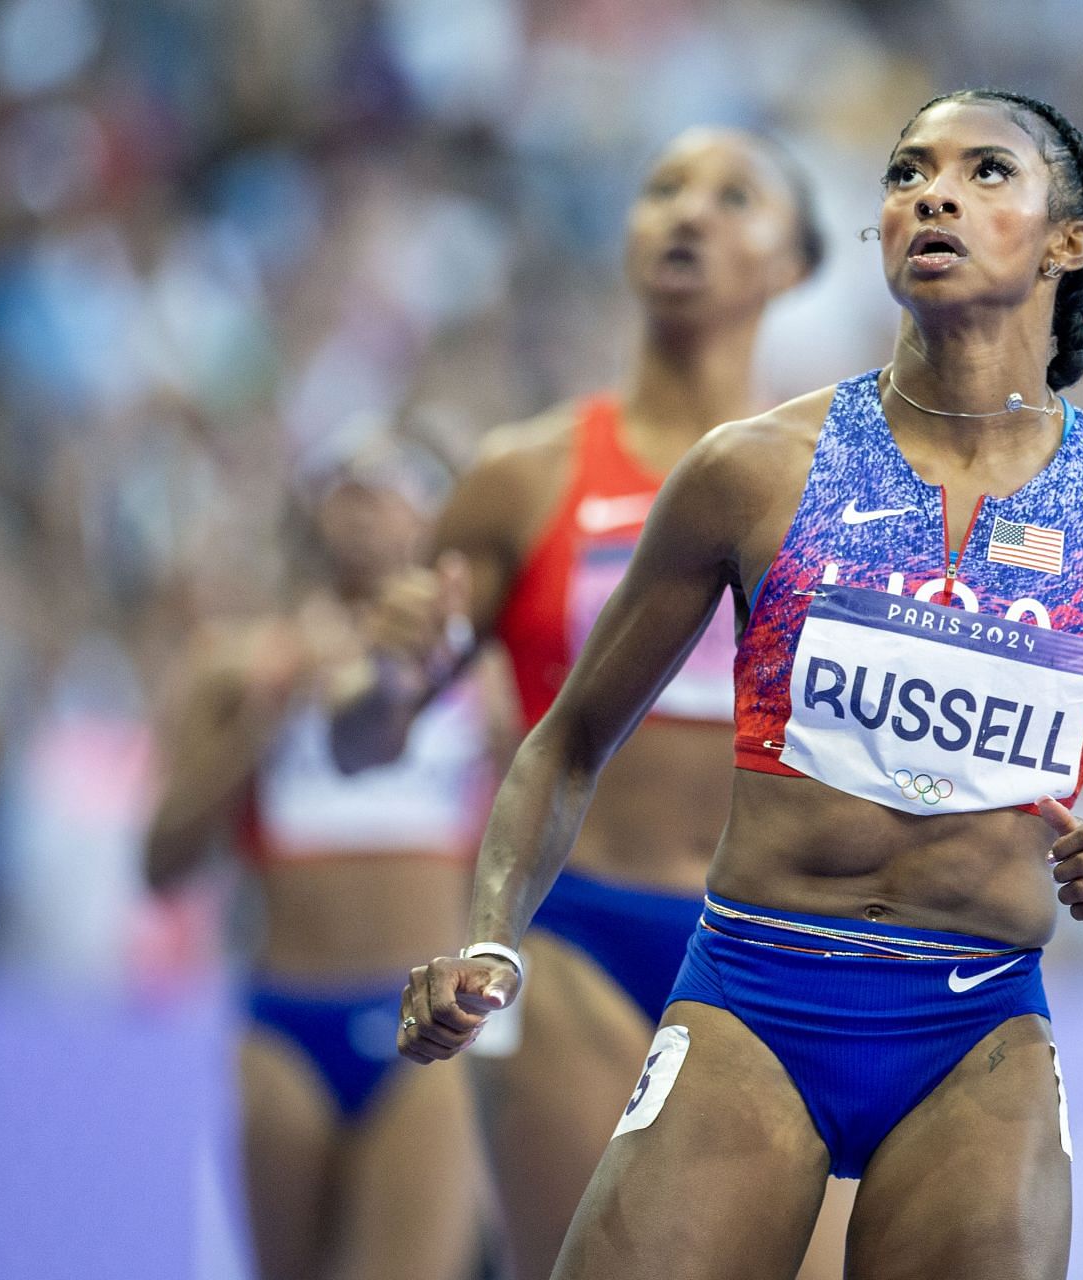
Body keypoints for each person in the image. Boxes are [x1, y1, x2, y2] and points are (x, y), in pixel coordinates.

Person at [395, 88, 1083, 1280]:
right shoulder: (752, 474)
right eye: (907, 173)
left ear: (1066, 243)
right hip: (754, 990)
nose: (932, 192)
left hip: (975, 1027)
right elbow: (566, 741)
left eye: (986, 172)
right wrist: (490, 941)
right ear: (879, 234)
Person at [328, 127, 838, 1279]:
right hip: (579, 940)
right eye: (662, 190)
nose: (687, 214)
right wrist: (381, 673)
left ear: (796, 263)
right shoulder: (526, 476)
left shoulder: (848, 489)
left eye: (733, 197)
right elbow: (368, 737)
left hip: (789, 944)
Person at [146, 432, 506, 1280]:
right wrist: (262, 716)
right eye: (346, 488)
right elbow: (160, 864)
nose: (365, 509)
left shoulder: (481, 671)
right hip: (287, 1019)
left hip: (427, 1018)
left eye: (390, 487)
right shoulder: (239, 663)